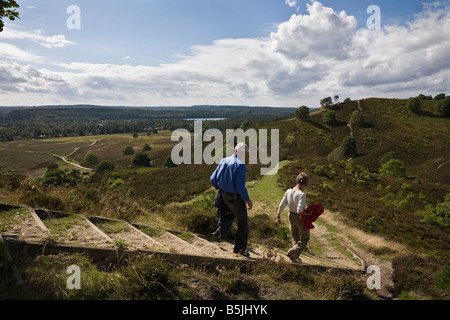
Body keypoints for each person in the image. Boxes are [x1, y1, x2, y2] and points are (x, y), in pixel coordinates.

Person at [210, 142, 253, 257]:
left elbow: (213, 178)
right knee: (243, 222)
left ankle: (219, 232)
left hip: (222, 194)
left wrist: (219, 188)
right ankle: (240, 250)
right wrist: (247, 200)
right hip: (234, 197)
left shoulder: (224, 160)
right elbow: (240, 186)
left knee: (230, 215)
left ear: (235, 151)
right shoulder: (240, 165)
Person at [277, 172, 311, 263]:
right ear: (305, 183)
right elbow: (300, 211)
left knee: (295, 236)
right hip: (299, 217)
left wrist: (278, 215)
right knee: (305, 238)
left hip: (290, 215)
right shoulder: (301, 194)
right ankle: (291, 252)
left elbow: (282, 204)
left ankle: (294, 256)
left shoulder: (288, 191)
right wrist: (309, 214)